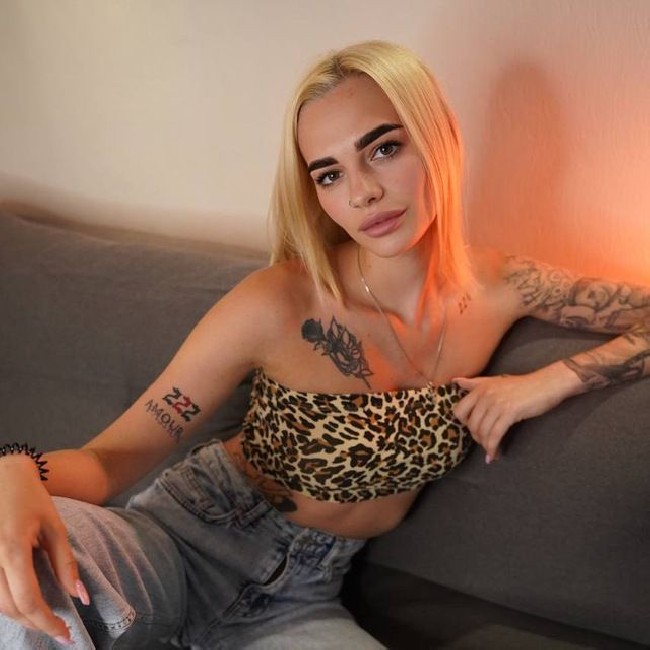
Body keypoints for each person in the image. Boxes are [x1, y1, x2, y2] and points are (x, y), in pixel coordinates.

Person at [0, 40, 648, 649]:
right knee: (17, 593)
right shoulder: (278, 301)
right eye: (330, 174)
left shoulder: (506, 287)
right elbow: (111, 459)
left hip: (300, 600)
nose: (363, 191)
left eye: (384, 149)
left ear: (442, 136)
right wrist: (17, 469)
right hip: (177, 544)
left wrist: (547, 382)